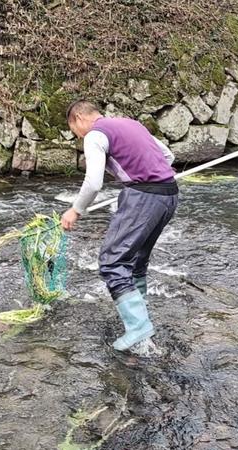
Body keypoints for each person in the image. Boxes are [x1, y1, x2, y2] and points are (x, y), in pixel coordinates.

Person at [61, 100, 178, 351]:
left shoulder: (94, 135)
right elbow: (167, 155)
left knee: (112, 261)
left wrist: (75, 210)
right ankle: (140, 316)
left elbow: (93, 183)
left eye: (74, 131)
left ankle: (138, 327)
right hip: (168, 194)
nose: (78, 137)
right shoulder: (130, 124)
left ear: (79, 119)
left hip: (143, 197)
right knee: (136, 260)